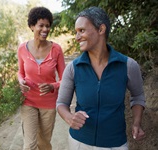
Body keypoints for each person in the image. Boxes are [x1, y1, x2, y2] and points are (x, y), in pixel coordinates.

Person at [56, 6, 146, 150]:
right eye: (76, 32)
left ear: (101, 29)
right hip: (79, 142)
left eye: (82, 30)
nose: (77, 37)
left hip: (115, 144)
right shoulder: (73, 68)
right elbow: (61, 103)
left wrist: (136, 123)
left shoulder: (128, 65)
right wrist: (69, 117)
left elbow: (138, 96)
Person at [17, 6, 65, 150]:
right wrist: (20, 81)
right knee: (29, 145)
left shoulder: (56, 49)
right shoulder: (22, 49)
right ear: (32, 26)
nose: (45, 29)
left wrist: (53, 86)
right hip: (28, 101)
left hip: (49, 104)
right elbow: (20, 72)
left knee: (44, 143)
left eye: (48, 26)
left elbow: (65, 79)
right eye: (41, 25)